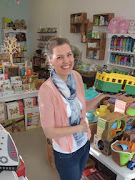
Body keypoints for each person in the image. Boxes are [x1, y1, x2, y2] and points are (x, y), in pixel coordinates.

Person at [38, 37, 108, 180]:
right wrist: (78, 128)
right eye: (59, 57)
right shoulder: (47, 90)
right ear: (51, 61)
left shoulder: (76, 76)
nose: (66, 61)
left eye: (69, 55)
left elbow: (82, 108)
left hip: (83, 144)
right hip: (66, 152)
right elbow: (49, 131)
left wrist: (102, 96)